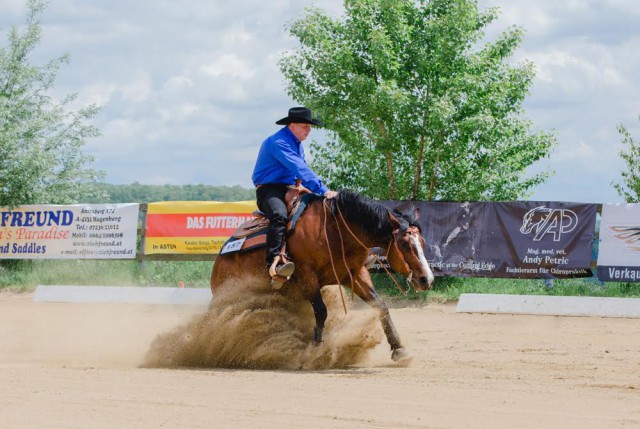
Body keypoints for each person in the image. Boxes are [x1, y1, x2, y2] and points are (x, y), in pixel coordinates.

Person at [252, 106, 337, 288]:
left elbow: (300, 171)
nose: (309, 130)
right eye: (305, 126)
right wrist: (323, 189)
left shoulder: (296, 143)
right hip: (269, 190)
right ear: (292, 126)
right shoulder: (278, 142)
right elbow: (300, 168)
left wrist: (310, 190)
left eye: (310, 127)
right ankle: (273, 262)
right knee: (279, 215)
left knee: (317, 210)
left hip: (292, 188)